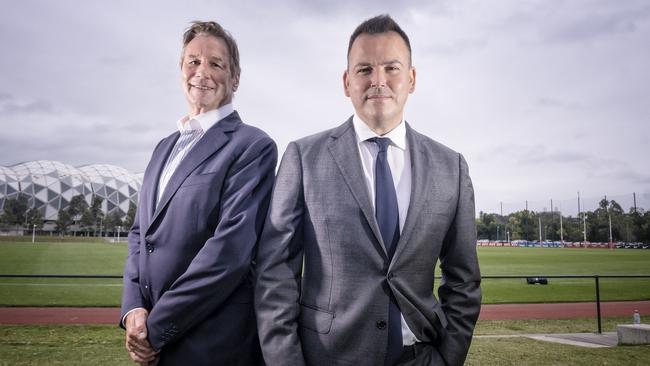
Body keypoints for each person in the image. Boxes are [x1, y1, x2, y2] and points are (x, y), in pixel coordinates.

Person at [255, 14, 481, 366]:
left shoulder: (450, 167)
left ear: (411, 79)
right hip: (329, 358)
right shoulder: (303, 158)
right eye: (364, 70)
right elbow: (275, 273)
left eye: (391, 67)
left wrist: (447, 359)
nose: (378, 80)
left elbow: (464, 280)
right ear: (347, 82)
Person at [120, 21, 276, 366]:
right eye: (193, 62)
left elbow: (229, 253)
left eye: (215, 64)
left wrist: (155, 328)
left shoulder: (253, 146)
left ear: (234, 78)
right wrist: (133, 310)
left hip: (212, 344)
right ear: (181, 71)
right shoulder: (163, 148)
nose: (201, 72)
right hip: (157, 340)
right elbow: (139, 234)